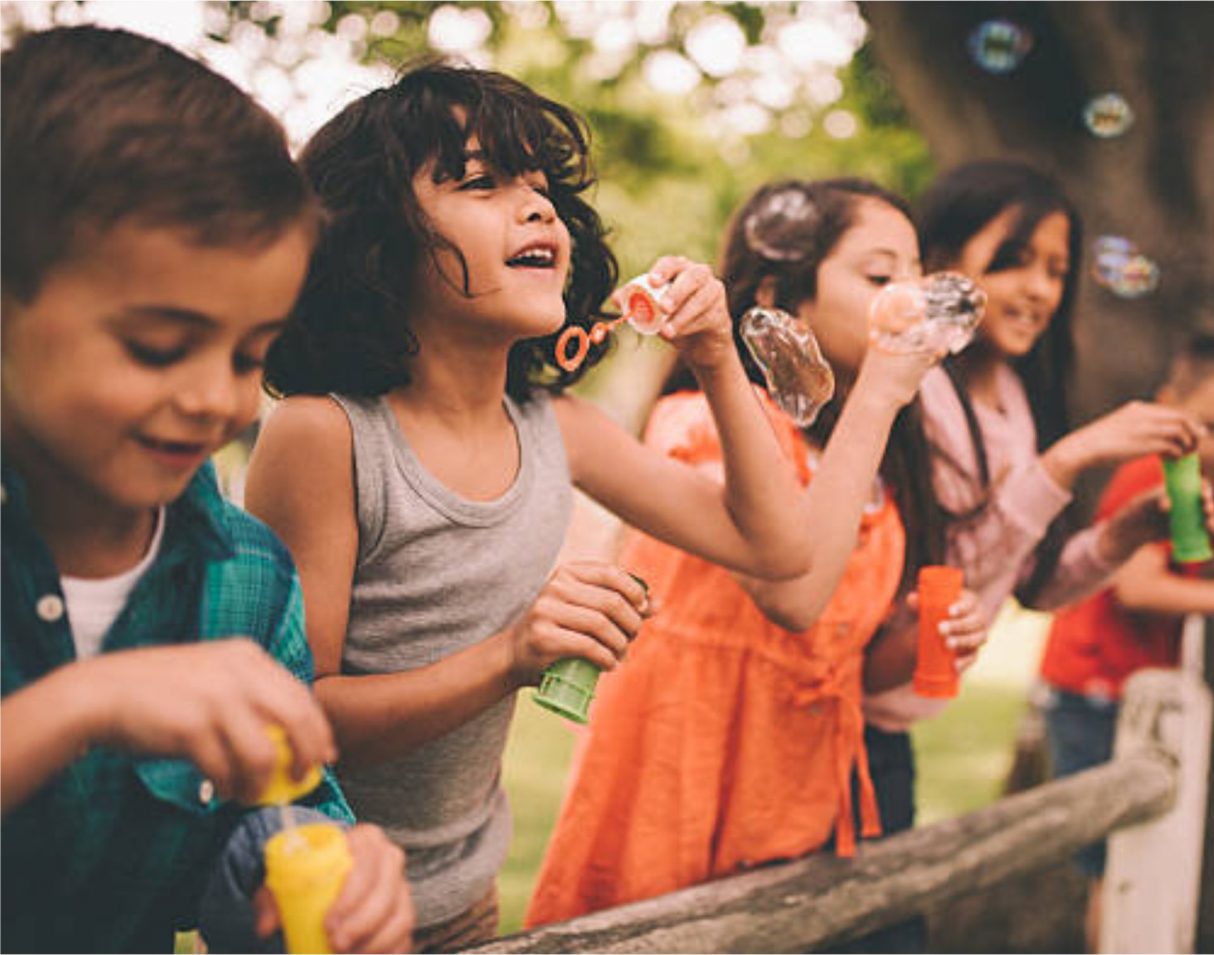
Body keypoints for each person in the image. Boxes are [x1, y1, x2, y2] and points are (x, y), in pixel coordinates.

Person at [244, 65, 811, 950]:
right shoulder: (327, 436)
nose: (538, 209)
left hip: (467, 903)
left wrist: (713, 356)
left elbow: (773, 547)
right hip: (320, 908)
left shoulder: (559, 429)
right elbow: (293, 722)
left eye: (542, 189)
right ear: (375, 239)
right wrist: (510, 654)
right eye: (481, 182)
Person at [0, 25, 412, 954]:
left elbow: (273, 808)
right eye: (156, 347)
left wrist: (317, 862)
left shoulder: (250, 576)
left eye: (248, 354)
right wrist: (82, 702)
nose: (213, 398)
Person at [523, 177, 990, 928]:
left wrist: (920, 643)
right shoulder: (702, 426)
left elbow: (839, 654)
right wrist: (878, 394)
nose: (910, 297)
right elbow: (793, 595)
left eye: (915, 275)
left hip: (804, 807)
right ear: (781, 294)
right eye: (879, 275)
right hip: (684, 787)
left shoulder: (866, 465)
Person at [852, 160, 1211, 951]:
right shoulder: (916, 393)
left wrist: (1125, 534)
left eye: (1057, 269)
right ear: (939, 262)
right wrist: (1064, 464)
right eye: (1013, 259)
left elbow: (1029, 583)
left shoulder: (1015, 399)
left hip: (890, 730)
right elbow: (937, 574)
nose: (1041, 289)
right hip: (842, 723)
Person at [1038, 331, 1214, 951]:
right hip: (1094, 689)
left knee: (1141, 855)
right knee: (1116, 866)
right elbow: (1138, 588)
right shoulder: (1151, 471)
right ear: (1168, 404)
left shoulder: (1189, 475)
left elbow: (1183, 566)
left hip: (1128, 693)